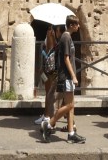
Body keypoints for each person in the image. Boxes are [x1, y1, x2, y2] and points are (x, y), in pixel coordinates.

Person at [40, 15, 85, 144]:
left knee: (71, 106)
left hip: (67, 76)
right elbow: (66, 59)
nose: (78, 26)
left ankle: (71, 133)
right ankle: (49, 125)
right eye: (76, 24)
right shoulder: (66, 37)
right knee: (70, 105)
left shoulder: (67, 37)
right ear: (71, 25)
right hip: (66, 76)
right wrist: (74, 76)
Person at [35, 24, 61, 125]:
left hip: (54, 70)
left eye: (50, 29)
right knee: (48, 92)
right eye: (48, 29)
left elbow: (53, 51)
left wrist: (53, 37)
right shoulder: (47, 39)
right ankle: (46, 114)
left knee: (51, 92)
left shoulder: (57, 41)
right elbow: (46, 52)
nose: (48, 31)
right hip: (47, 68)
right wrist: (42, 67)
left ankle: (48, 116)